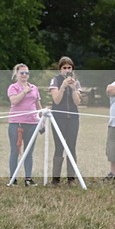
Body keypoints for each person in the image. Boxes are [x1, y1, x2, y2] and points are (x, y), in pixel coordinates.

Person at [7, 63, 43, 186]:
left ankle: (28, 179)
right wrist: (24, 92)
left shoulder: (34, 87)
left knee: (29, 151)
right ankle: (13, 179)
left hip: (32, 123)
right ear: (16, 74)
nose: (24, 75)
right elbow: (14, 101)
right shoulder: (13, 87)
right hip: (16, 123)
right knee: (15, 151)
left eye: (26, 73)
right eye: (22, 73)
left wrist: (41, 118)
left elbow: (38, 105)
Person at [48, 56, 82, 185]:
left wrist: (73, 88)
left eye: (69, 68)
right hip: (58, 118)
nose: (67, 70)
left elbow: (77, 102)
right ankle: (55, 179)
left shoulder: (76, 82)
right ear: (60, 69)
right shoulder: (55, 80)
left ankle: (71, 179)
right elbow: (56, 100)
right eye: (64, 68)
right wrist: (62, 86)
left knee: (71, 147)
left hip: (73, 118)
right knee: (59, 147)